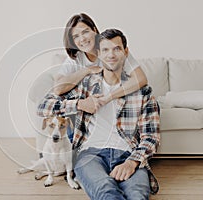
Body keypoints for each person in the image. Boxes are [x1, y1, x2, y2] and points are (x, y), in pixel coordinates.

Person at [38, 28, 160, 199]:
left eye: (117, 48)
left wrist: (133, 162)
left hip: (128, 154)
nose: (111, 55)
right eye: (105, 50)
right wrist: (79, 104)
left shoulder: (142, 92)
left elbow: (151, 137)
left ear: (126, 52)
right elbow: (43, 106)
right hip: (90, 155)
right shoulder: (85, 86)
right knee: (106, 192)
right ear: (99, 54)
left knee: (138, 195)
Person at [54, 13, 147, 108]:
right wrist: (87, 70)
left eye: (85, 32)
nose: (82, 39)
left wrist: (108, 98)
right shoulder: (76, 57)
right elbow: (57, 88)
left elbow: (140, 79)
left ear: (94, 30)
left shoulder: (112, 47)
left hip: (118, 101)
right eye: (76, 36)